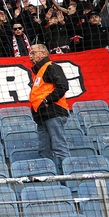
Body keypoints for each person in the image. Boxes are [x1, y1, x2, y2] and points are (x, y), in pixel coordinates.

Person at [28, 44, 71, 172]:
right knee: (44, 150)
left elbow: (63, 86)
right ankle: (53, 178)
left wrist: (47, 101)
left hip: (54, 112)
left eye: (33, 53)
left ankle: (70, 178)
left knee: (59, 147)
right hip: (42, 116)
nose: (30, 56)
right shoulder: (38, 72)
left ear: (43, 53)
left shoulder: (52, 67)